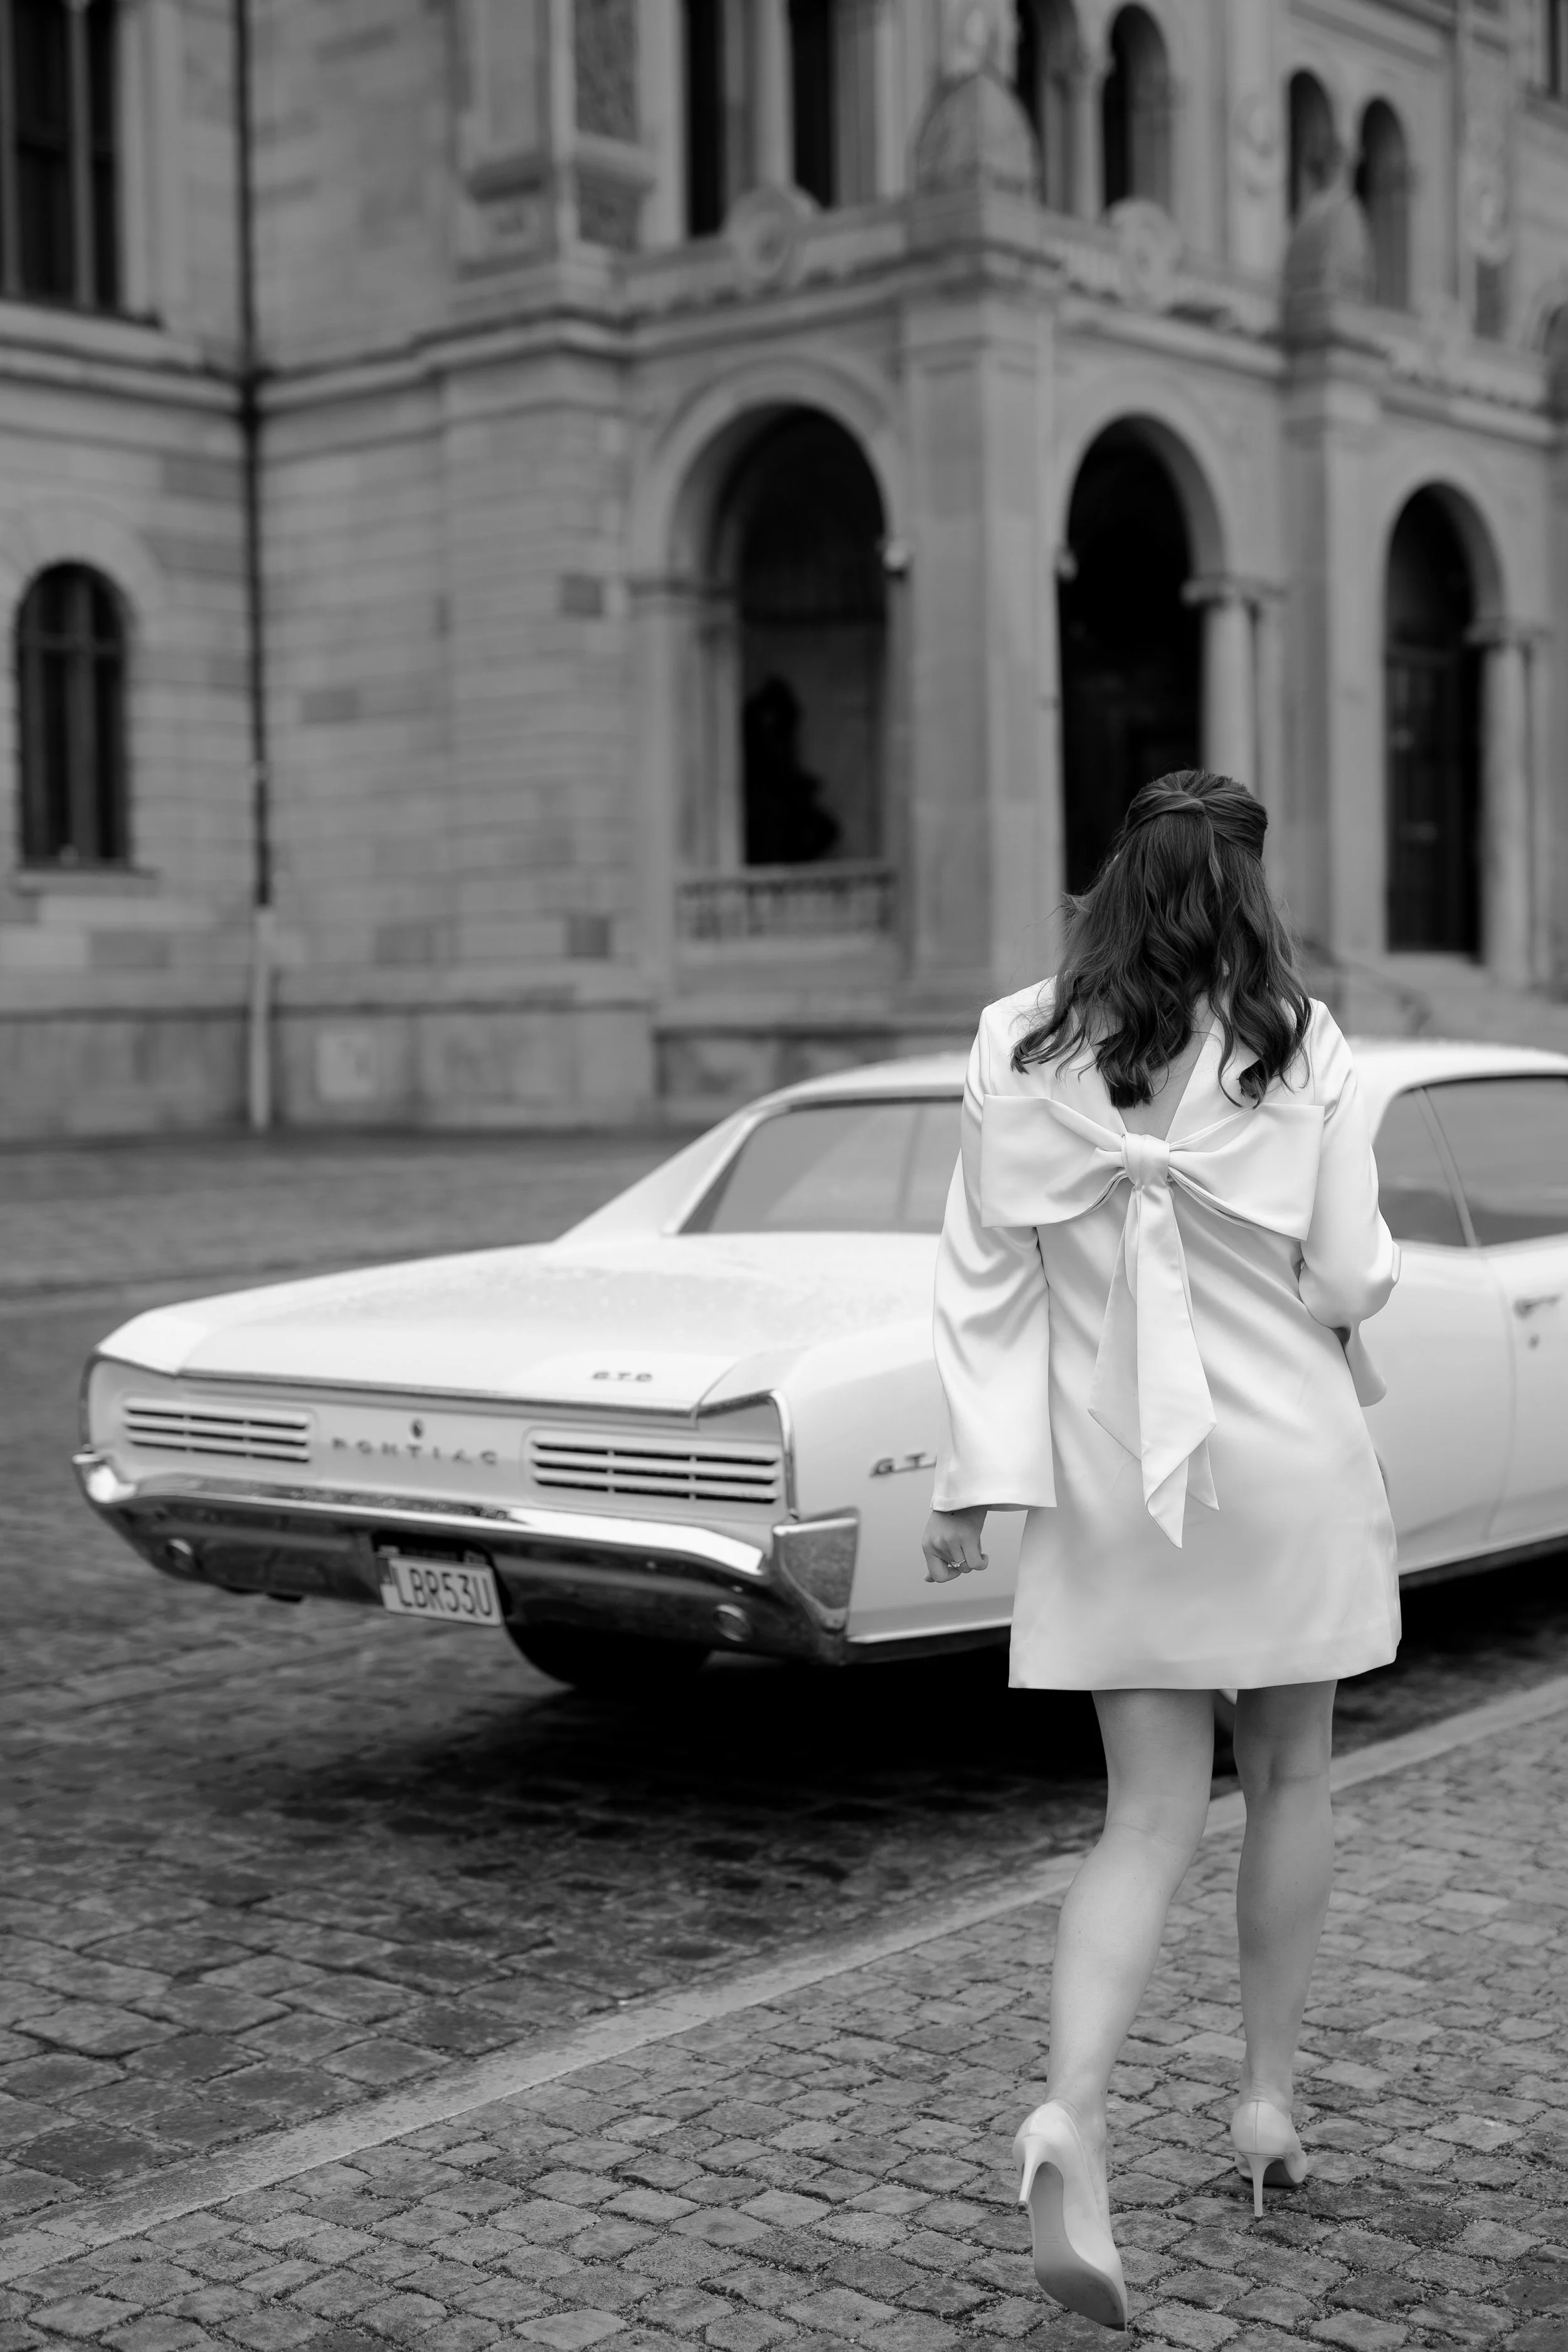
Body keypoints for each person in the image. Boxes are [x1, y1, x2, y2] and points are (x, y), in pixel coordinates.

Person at [922, 770, 1399, 2332]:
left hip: (1112, 1478)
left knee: (1141, 1817)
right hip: (1277, 1462)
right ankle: (1264, 2102)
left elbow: (977, 1287)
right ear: (1246, 889)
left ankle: (1068, 2107)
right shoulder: (1299, 1038)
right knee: (1292, 1780)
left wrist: (994, 1472)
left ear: (1110, 883)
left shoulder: (1013, 1041)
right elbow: (1343, 1276)